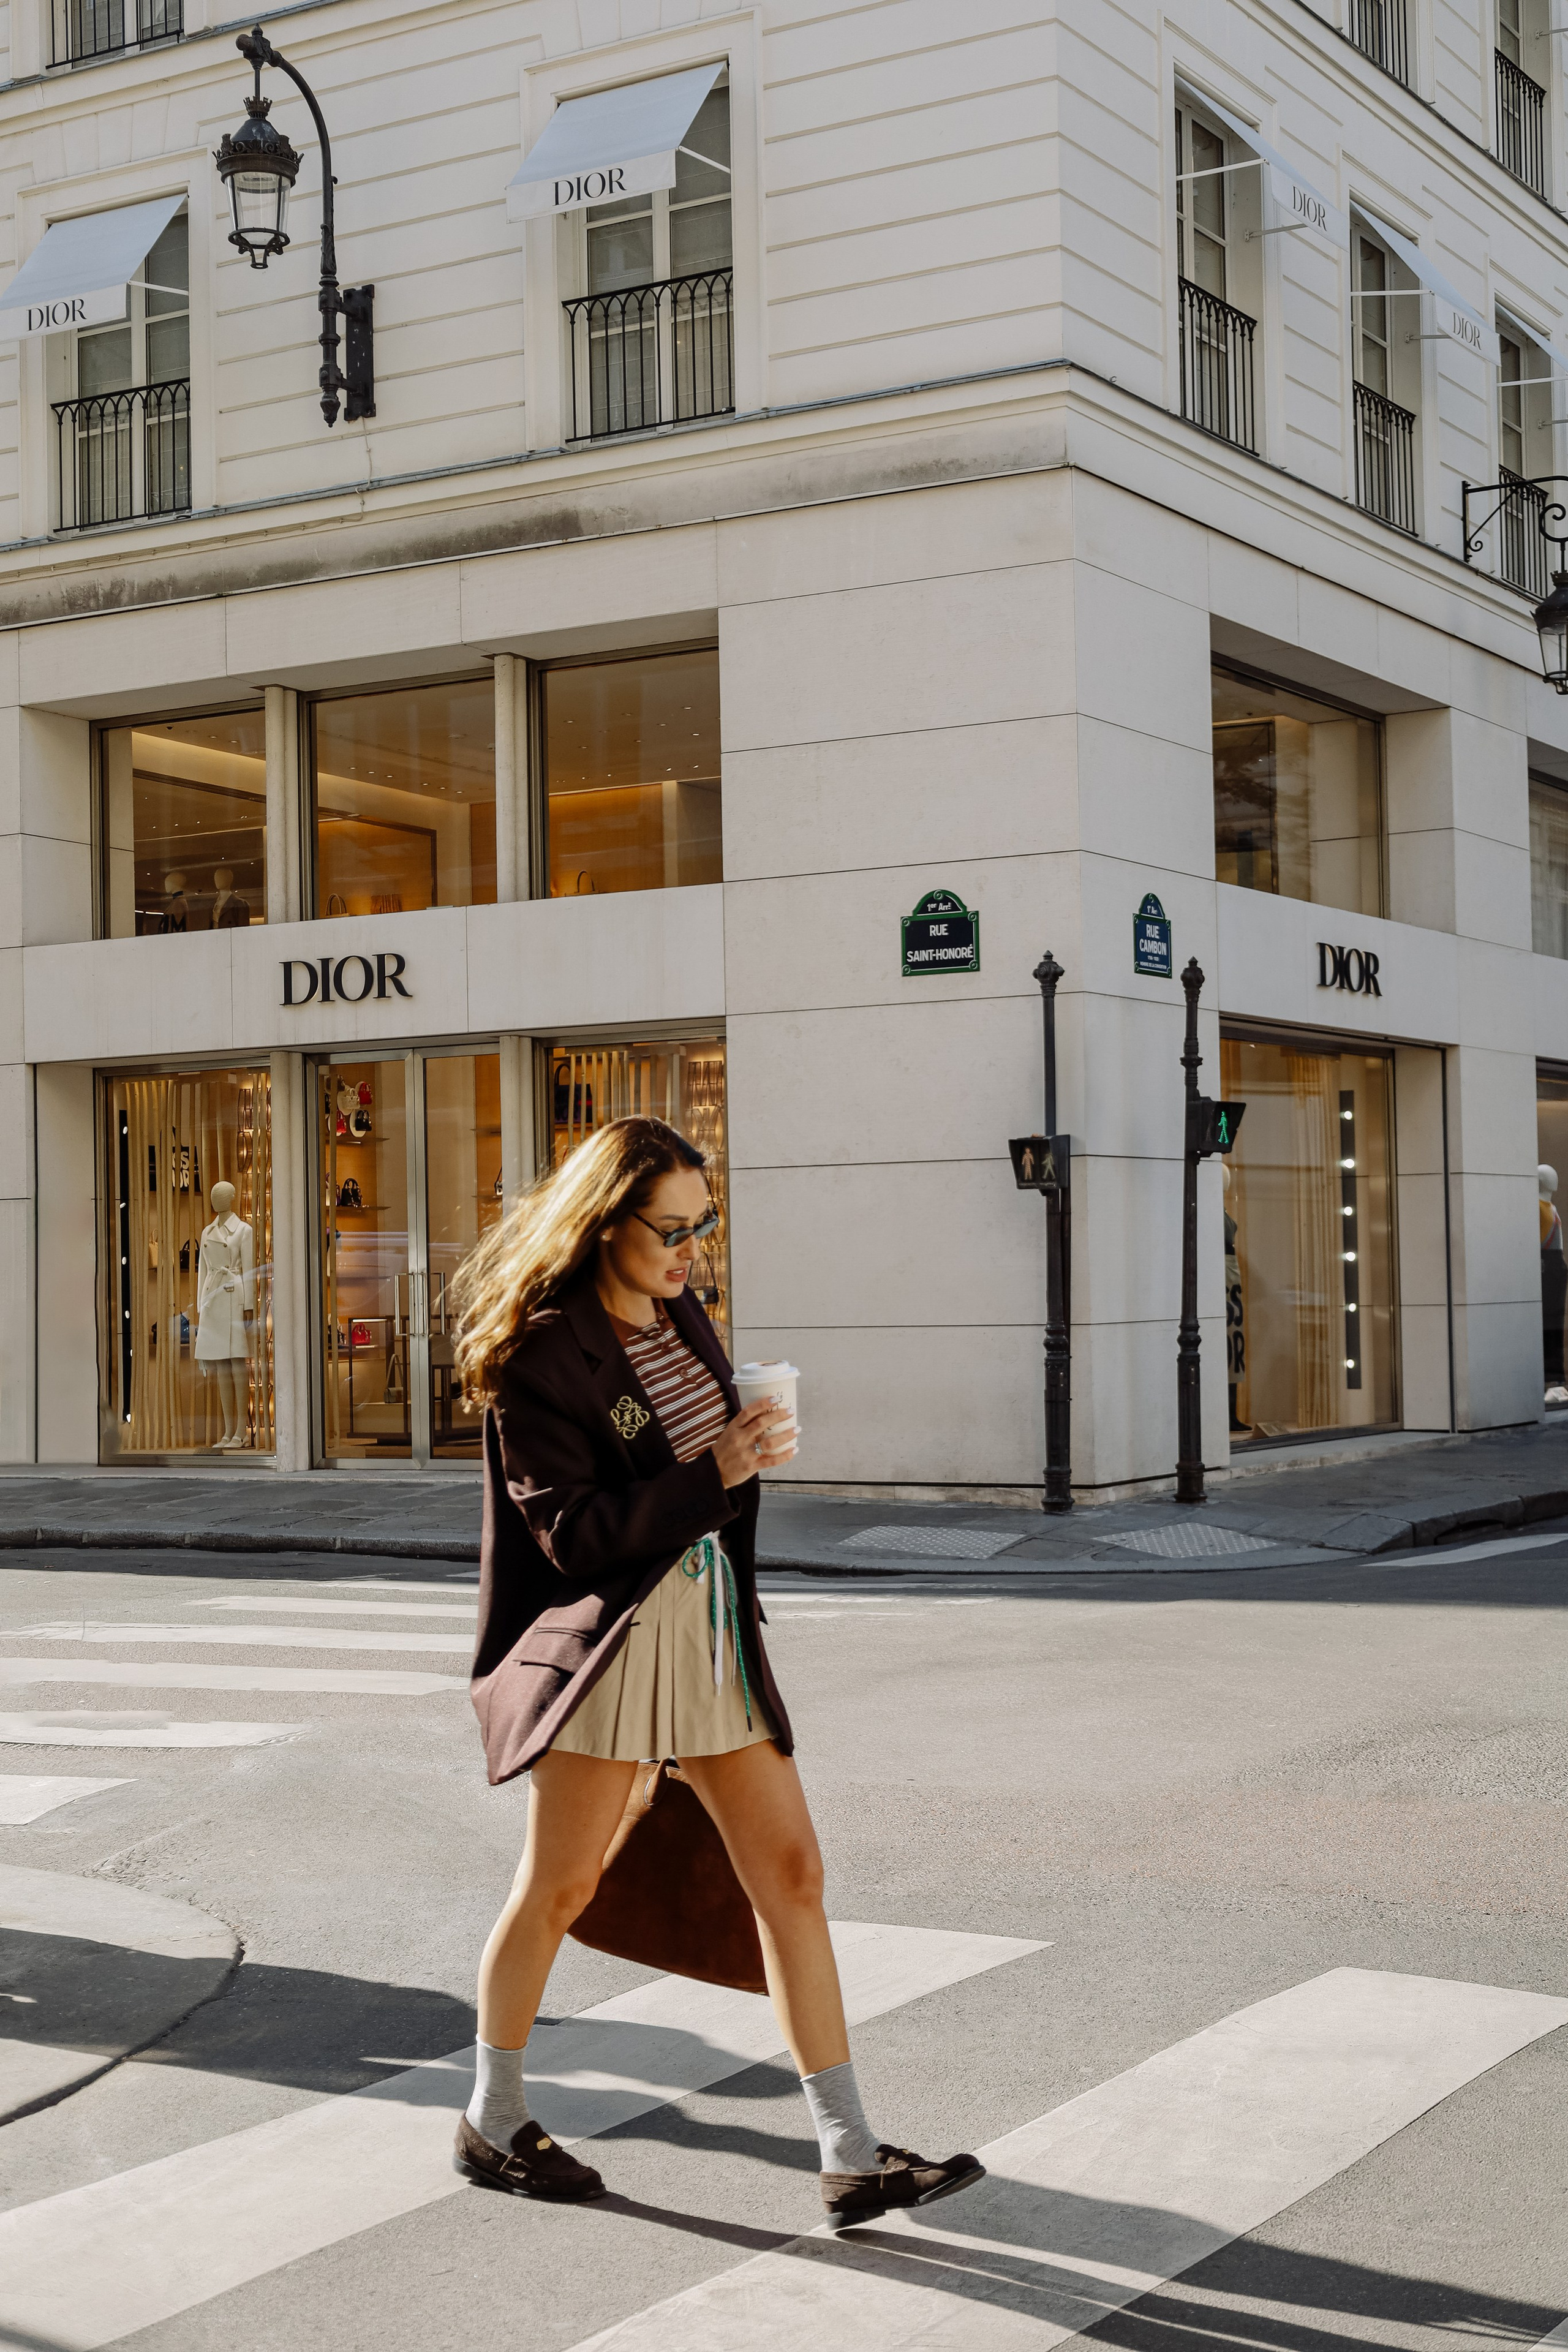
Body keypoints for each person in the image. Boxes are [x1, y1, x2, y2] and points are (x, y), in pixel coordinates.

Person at [450, 1115, 984, 2228]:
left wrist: (749, 1452)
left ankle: (849, 2151)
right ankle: (493, 2117)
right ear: (606, 1225)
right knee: (557, 1890)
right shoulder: (542, 1354)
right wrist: (717, 1467)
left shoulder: (680, 1312)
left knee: (792, 1877)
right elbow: (574, 1539)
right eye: (672, 1228)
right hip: (614, 1650)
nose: (693, 1251)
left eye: (706, 1224)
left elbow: (706, 1479)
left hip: (710, 1633)